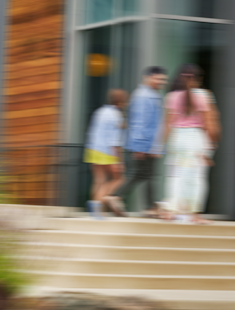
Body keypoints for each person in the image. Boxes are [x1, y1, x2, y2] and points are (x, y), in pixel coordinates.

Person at [158, 64, 219, 225]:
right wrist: (210, 147)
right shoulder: (205, 95)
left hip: (177, 138)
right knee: (197, 178)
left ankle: (171, 212)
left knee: (175, 175)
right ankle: (195, 215)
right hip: (196, 138)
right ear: (198, 79)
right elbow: (209, 123)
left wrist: (159, 145)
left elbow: (167, 124)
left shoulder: (171, 96)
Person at [110, 66, 168, 217]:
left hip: (148, 144)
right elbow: (139, 122)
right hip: (145, 144)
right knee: (144, 175)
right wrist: (140, 146)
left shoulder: (151, 95)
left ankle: (147, 205)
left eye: (163, 79)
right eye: (158, 78)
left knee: (145, 175)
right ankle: (120, 198)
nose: (161, 82)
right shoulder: (144, 95)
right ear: (148, 78)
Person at [83, 89, 128, 220]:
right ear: (120, 102)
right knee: (119, 179)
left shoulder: (100, 111)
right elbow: (115, 141)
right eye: (125, 102)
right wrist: (119, 161)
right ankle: (97, 204)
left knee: (99, 180)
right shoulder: (116, 116)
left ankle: (95, 210)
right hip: (106, 152)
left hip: (92, 149)